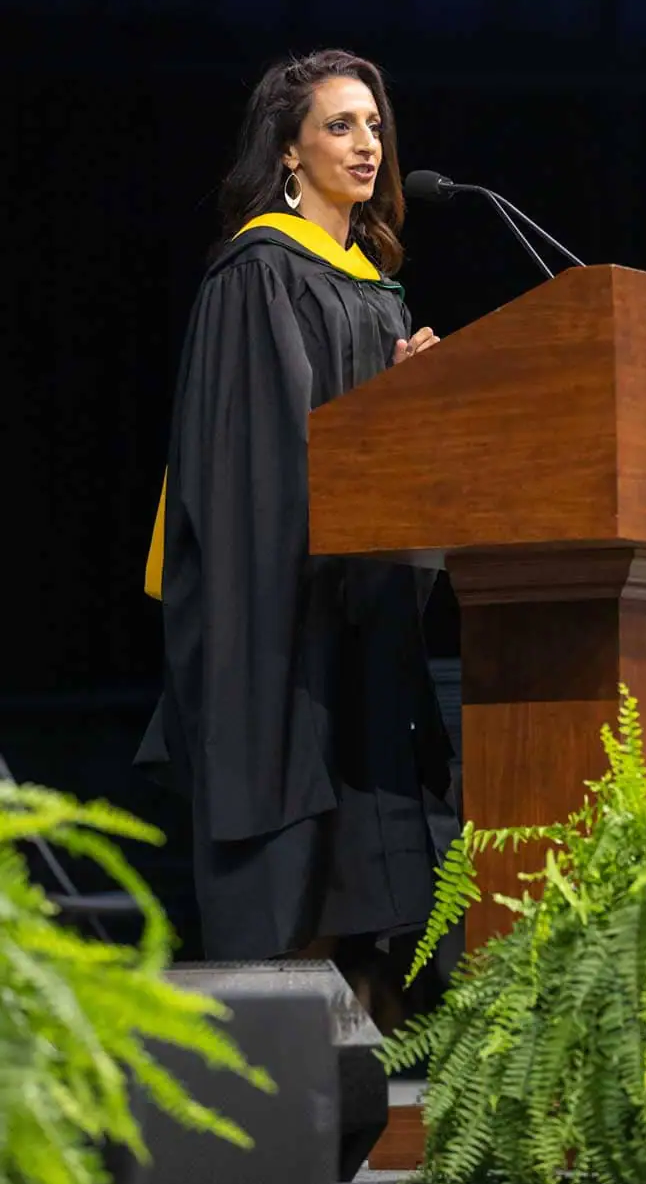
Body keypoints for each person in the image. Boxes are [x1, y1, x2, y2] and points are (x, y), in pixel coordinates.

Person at [135, 49, 458, 1014]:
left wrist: (407, 404)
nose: (367, 145)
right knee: (286, 847)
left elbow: (352, 446)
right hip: (277, 609)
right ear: (288, 150)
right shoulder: (259, 273)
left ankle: (353, 1092)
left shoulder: (374, 287)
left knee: (362, 859)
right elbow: (259, 465)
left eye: (374, 127)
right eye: (339, 126)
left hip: (354, 608)